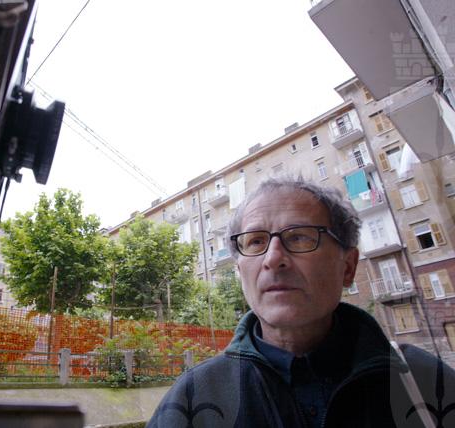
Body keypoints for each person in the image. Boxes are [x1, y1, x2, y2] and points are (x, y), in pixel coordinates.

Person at [147, 177, 454, 428]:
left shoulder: (424, 382)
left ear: (348, 267)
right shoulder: (192, 399)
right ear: (240, 272)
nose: (273, 258)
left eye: (299, 237)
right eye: (255, 241)